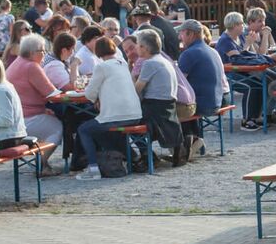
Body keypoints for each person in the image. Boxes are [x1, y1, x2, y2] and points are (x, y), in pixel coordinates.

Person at [74, 36, 144, 180]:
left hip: (116, 115)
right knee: (103, 132)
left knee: (84, 129)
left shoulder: (101, 67)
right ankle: (133, 157)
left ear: (98, 52)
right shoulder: (123, 64)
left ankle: (93, 168)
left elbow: (89, 93)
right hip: (135, 113)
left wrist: (97, 98)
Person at [5, 34, 64, 171]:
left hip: (17, 118)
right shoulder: (31, 66)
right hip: (26, 120)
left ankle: (40, 160)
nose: (45, 54)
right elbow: (51, 93)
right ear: (32, 53)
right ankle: (42, 164)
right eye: (42, 51)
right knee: (57, 127)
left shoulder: (18, 62)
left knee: (50, 117)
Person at [134, 28, 187, 165]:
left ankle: (146, 155)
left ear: (144, 48)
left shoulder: (149, 63)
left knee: (125, 122)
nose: (135, 47)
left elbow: (136, 89)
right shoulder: (164, 60)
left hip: (154, 110)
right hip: (168, 109)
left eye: (137, 44)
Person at [177, 19, 224, 155]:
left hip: (202, 105)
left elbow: (179, 83)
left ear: (191, 34)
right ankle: (193, 140)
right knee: (186, 101)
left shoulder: (189, 54)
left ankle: (184, 145)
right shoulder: (212, 51)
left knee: (172, 107)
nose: (180, 37)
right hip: (217, 101)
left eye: (182, 33)